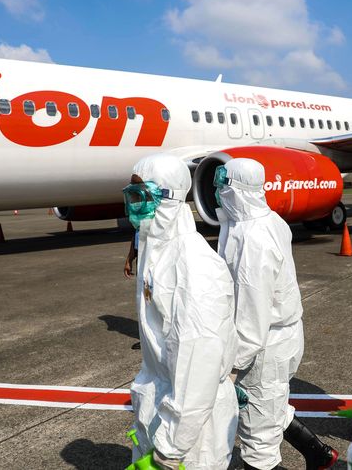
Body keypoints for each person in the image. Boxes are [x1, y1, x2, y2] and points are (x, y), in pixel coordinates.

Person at [214, 158, 338, 470]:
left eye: (222, 185)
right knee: (273, 407)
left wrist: (232, 365)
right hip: (280, 335)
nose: (217, 191)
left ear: (238, 191)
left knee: (257, 437)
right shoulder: (263, 220)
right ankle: (319, 454)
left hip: (262, 346)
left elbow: (251, 313)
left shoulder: (253, 237)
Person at [125, 153, 239, 470]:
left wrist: (172, 445)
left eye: (142, 196)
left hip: (191, 435)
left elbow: (198, 357)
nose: (134, 206)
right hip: (160, 409)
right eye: (130, 196)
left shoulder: (194, 266)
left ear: (168, 198)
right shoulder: (156, 251)